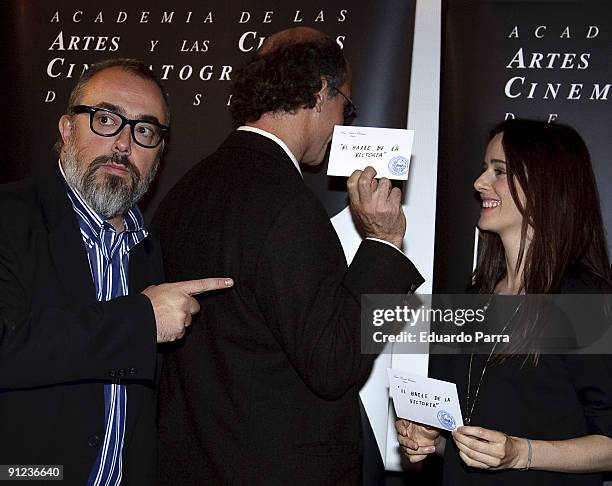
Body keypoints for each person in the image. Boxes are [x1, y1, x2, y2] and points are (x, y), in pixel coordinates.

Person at [154, 27, 424, 485]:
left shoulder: (183, 193)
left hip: (193, 464)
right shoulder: (286, 203)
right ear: (322, 91)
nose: (345, 124)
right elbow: (334, 364)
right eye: (347, 107)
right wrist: (382, 243)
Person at [0, 58, 233, 486]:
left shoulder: (152, 249)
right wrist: (141, 321)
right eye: (106, 119)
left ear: (159, 154)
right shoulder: (10, 218)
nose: (124, 144)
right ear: (67, 128)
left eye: (144, 130)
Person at [395, 119, 612, 485]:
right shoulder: (474, 298)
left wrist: (522, 453)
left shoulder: (581, 301)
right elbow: (472, 444)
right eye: (485, 169)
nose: (480, 183)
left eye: (500, 171)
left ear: (545, 185)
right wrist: (431, 442)